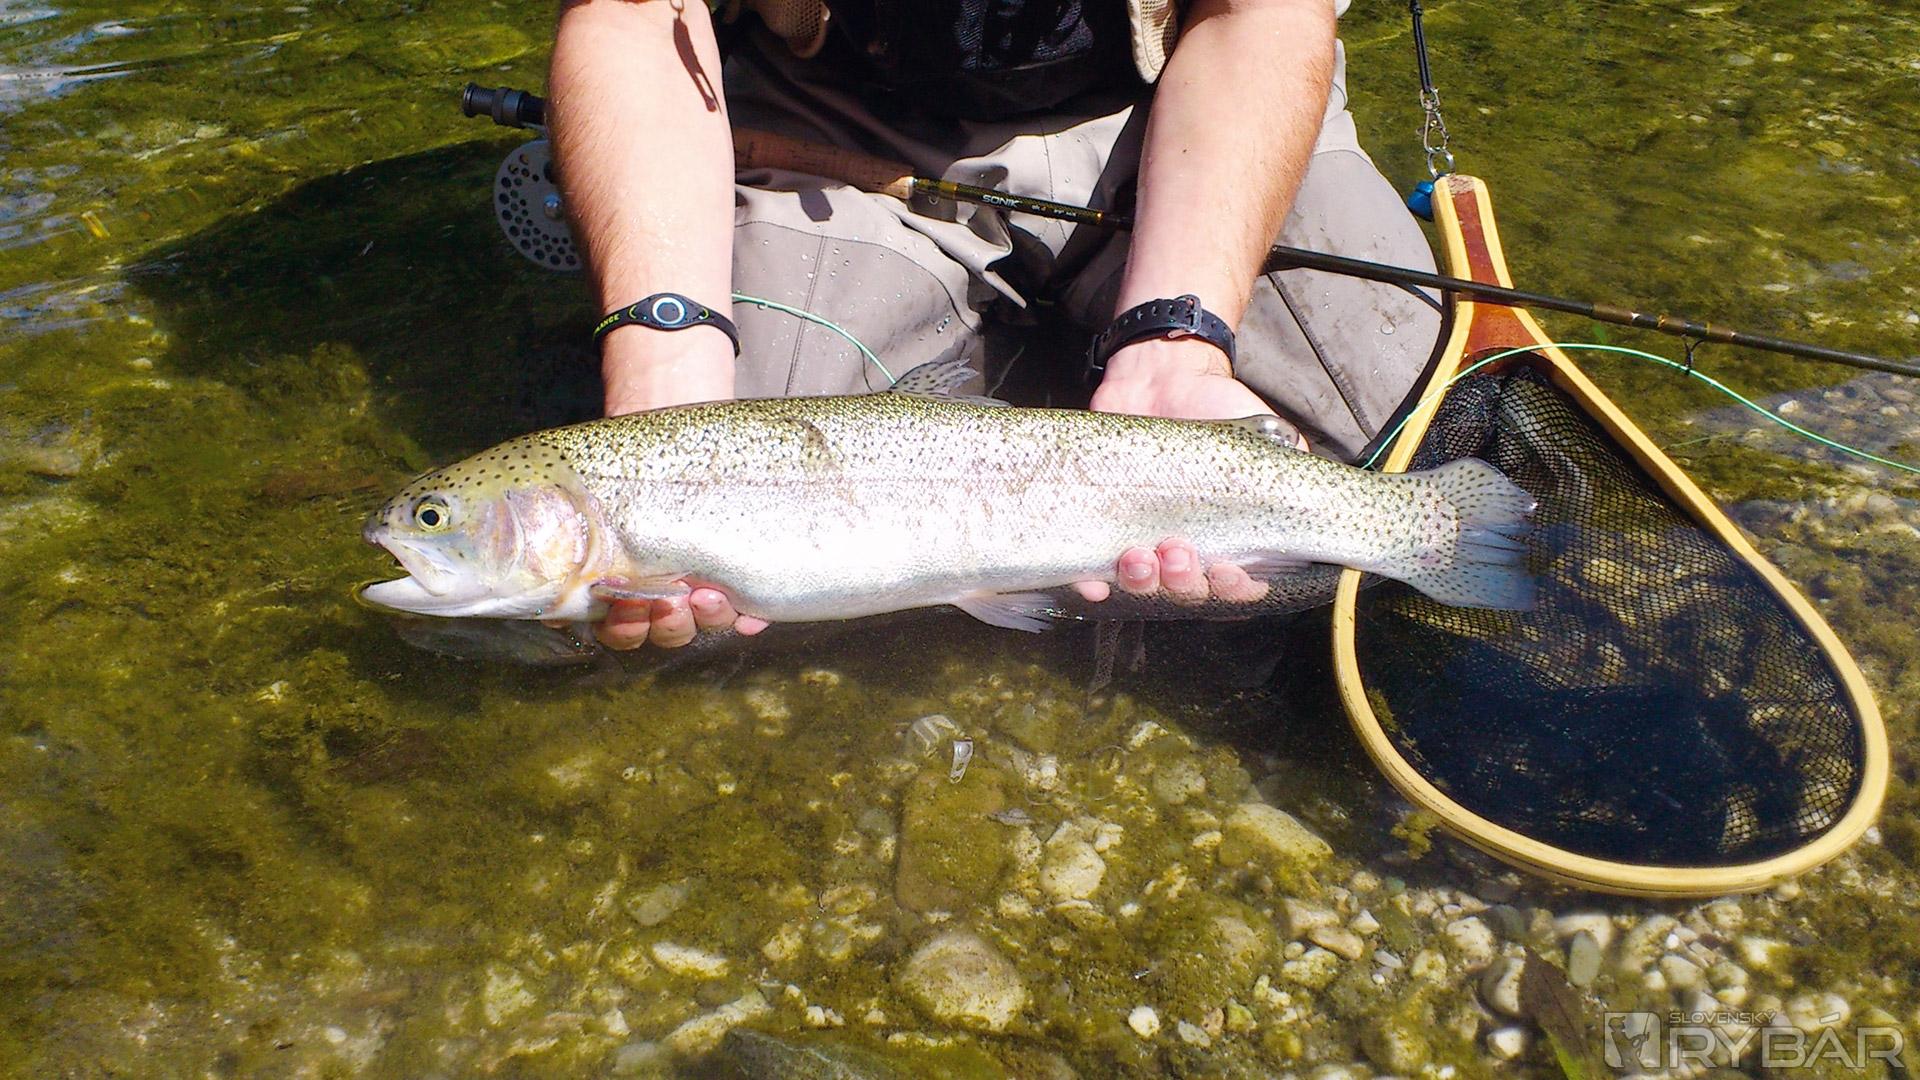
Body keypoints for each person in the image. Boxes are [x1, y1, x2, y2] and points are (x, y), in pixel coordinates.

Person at [546, 0, 1441, 649]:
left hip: (1187, 98)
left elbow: (1260, 14)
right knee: (727, 548)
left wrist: (1178, 343)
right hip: (830, 121)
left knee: (1404, 438)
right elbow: (632, 15)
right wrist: (662, 375)